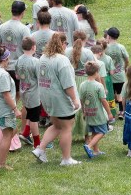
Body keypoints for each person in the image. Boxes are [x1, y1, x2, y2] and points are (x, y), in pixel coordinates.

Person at [33, 32, 82, 166]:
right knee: (67, 126)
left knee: (56, 125)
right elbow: (67, 84)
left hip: (46, 96)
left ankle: (40, 149)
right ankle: (66, 159)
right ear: (62, 44)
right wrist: (75, 100)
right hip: (60, 98)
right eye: (66, 43)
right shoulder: (62, 60)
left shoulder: (43, 57)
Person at [65, 31, 95, 145]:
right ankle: (87, 136)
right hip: (85, 81)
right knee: (86, 108)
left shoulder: (67, 51)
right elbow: (93, 68)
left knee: (72, 107)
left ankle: (69, 133)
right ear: (84, 40)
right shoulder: (88, 52)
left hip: (71, 81)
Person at [79, 61, 111, 158]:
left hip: (88, 113)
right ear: (97, 72)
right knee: (102, 131)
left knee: (94, 131)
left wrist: (84, 111)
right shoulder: (98, 86)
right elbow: (104, 101)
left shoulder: (82, 85)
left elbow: (81, 100)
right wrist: (109, 113)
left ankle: (96, 151)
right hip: (98, 114)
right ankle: (89, 146)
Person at [15, 36, 41, 147]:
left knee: (30, 114)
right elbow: (40, 78)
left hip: (23, 91)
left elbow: (17, 75)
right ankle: (37, 143)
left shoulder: (19, 59)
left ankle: (25, 133)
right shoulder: (35, 61)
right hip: (34, 93)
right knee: (35, 119)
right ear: (34, 47)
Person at [0, 0, 30, 86]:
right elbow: (28, 50)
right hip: (18, 67)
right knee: (17, 94)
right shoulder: (24, 29)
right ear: (23, 12)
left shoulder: (2, 26)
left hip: (3, 66)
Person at [104, 27, 129, 119]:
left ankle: (112, 111)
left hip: (110, 75)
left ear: (108, 36)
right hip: (120, 74)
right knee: (121, 94)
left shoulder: (106, 47)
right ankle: (122, 111)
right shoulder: (121, 47)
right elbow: (126, 59)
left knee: (111, 94)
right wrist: (125, 67)